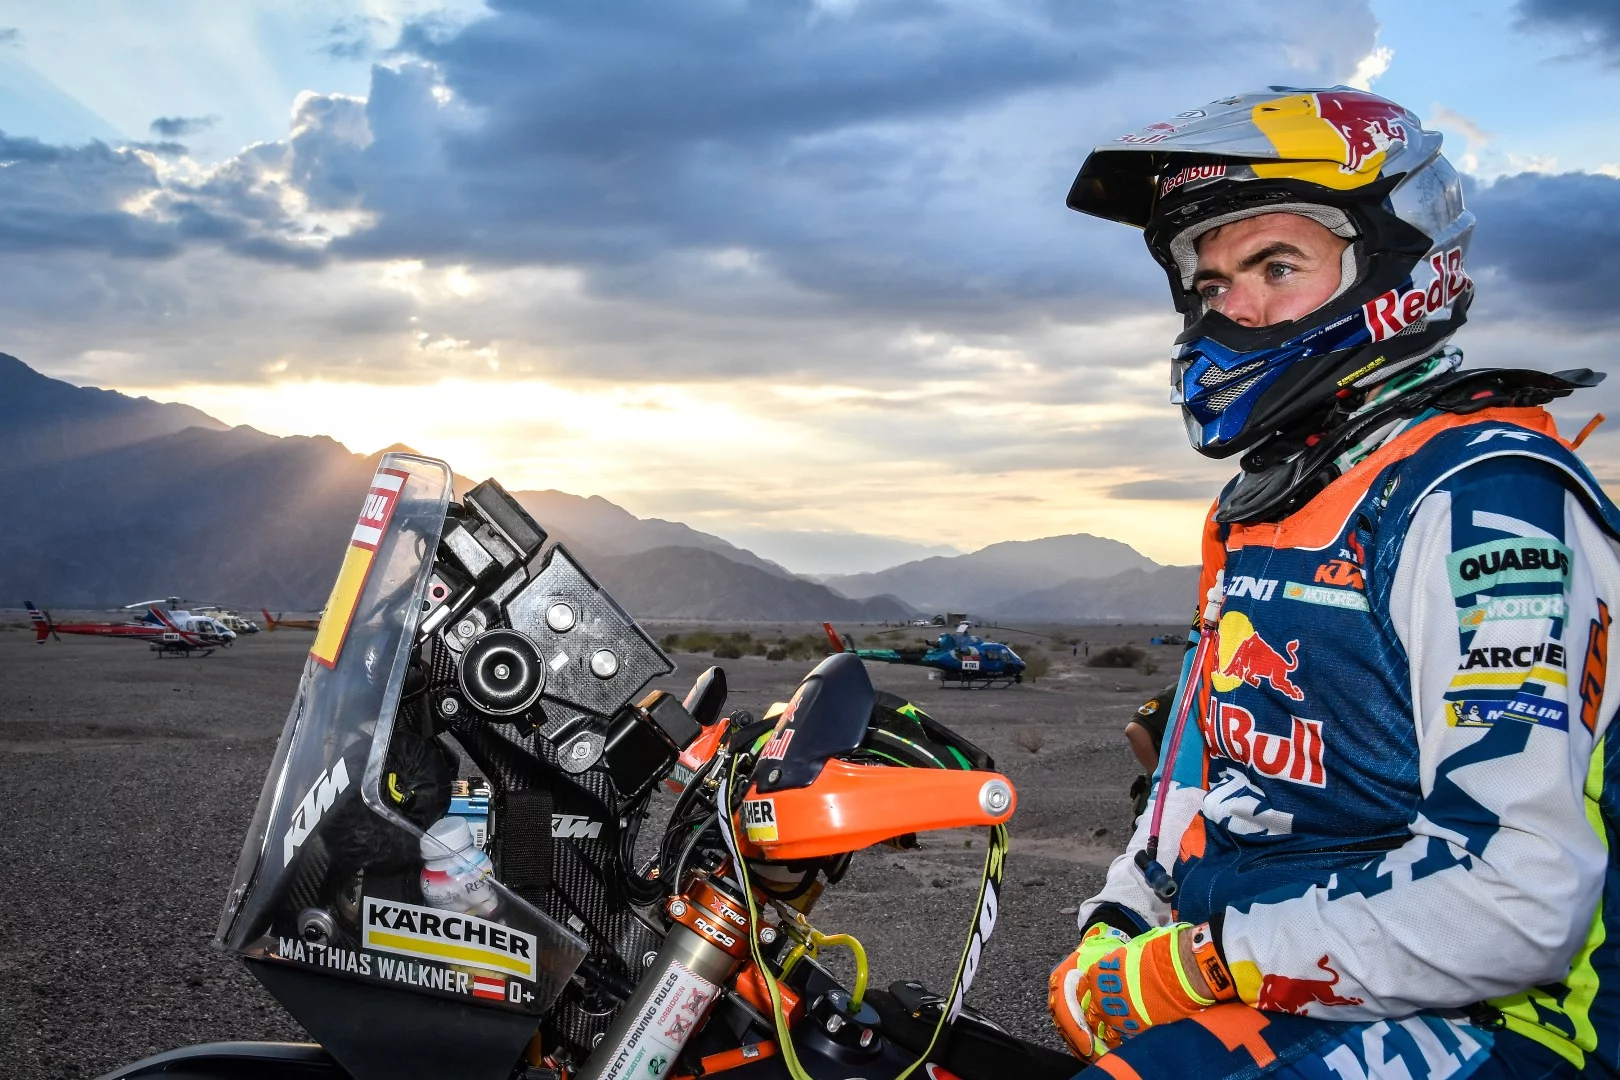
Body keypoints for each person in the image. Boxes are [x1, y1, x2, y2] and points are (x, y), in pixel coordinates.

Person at [1047, 87, 1620, 1080]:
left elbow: (1522, 902)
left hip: (1510, 1022)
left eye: (1277, 266)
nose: (1239, 307)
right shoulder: (1263, 509)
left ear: (1389, 262)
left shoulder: (1485, 502)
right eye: (1215, 280)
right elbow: (1202, 771)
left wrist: (1205, 963)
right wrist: (1121, 921)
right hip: (1299, 978)